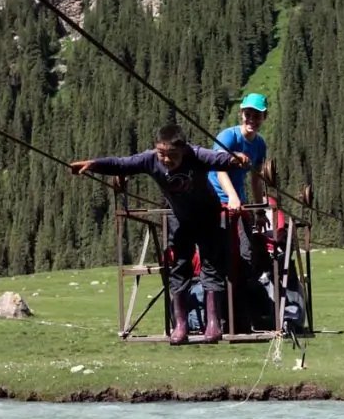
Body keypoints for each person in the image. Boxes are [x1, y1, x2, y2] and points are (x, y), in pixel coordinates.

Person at [70, 124, 248, 345]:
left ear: (183, 149)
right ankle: (180, 326)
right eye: (162, 154)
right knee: (179, 268)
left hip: (207, 218)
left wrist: (236, 159)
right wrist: (94, 165)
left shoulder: (196, 154)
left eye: (171, 155)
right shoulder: (150, 159)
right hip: (180, 219)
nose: (165, 160)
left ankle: (214, 324)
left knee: (211, 267)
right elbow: (122, 164)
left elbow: (219, 159)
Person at [208, 93, 270, 332]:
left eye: (257, 115)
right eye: (248, 114)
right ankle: (220, 318)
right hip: (217, 201)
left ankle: (240, 317)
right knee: (220, 257)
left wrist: (259, 209)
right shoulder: (228, 137)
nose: (251, 119)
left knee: (245, 256)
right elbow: (219, 168)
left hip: (239, 204)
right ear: (241, 114)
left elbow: (256, 179)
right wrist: (232, 196)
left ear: (264, 117)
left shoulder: (259, 144)